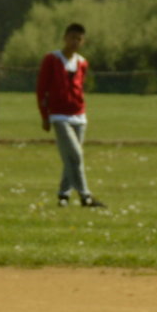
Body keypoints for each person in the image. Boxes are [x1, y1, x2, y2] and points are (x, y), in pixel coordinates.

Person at [35, 22, 103, 206]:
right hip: (59, 116)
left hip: (79, 116)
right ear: (65, 37)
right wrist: (44, 115)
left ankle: (63, 196)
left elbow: (81, 86)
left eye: (79, 39)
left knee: (70, 158)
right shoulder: (52, 59)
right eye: (72, 37)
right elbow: (41, 89)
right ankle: (85, 196)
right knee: (76, 155)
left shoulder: (82, 63)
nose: (75, 42)